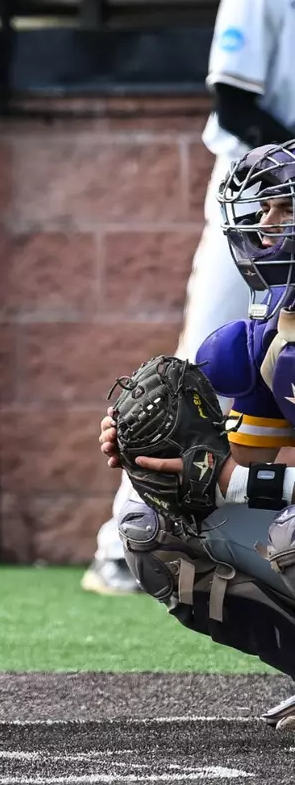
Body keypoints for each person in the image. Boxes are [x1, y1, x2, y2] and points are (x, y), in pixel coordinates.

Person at [84, 0, 295, 596]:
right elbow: (234, 104)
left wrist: (239, 480)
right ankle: (130, 521)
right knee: (197, 373)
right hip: (265, 189)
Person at [95, 139, 295, 728]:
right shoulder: (260, 339)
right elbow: (228, 475)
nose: (266, 226)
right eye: (264, 210)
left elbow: (245, 484)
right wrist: (163, 458)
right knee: (155, 534)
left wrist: (235, 482)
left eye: (286, 209)